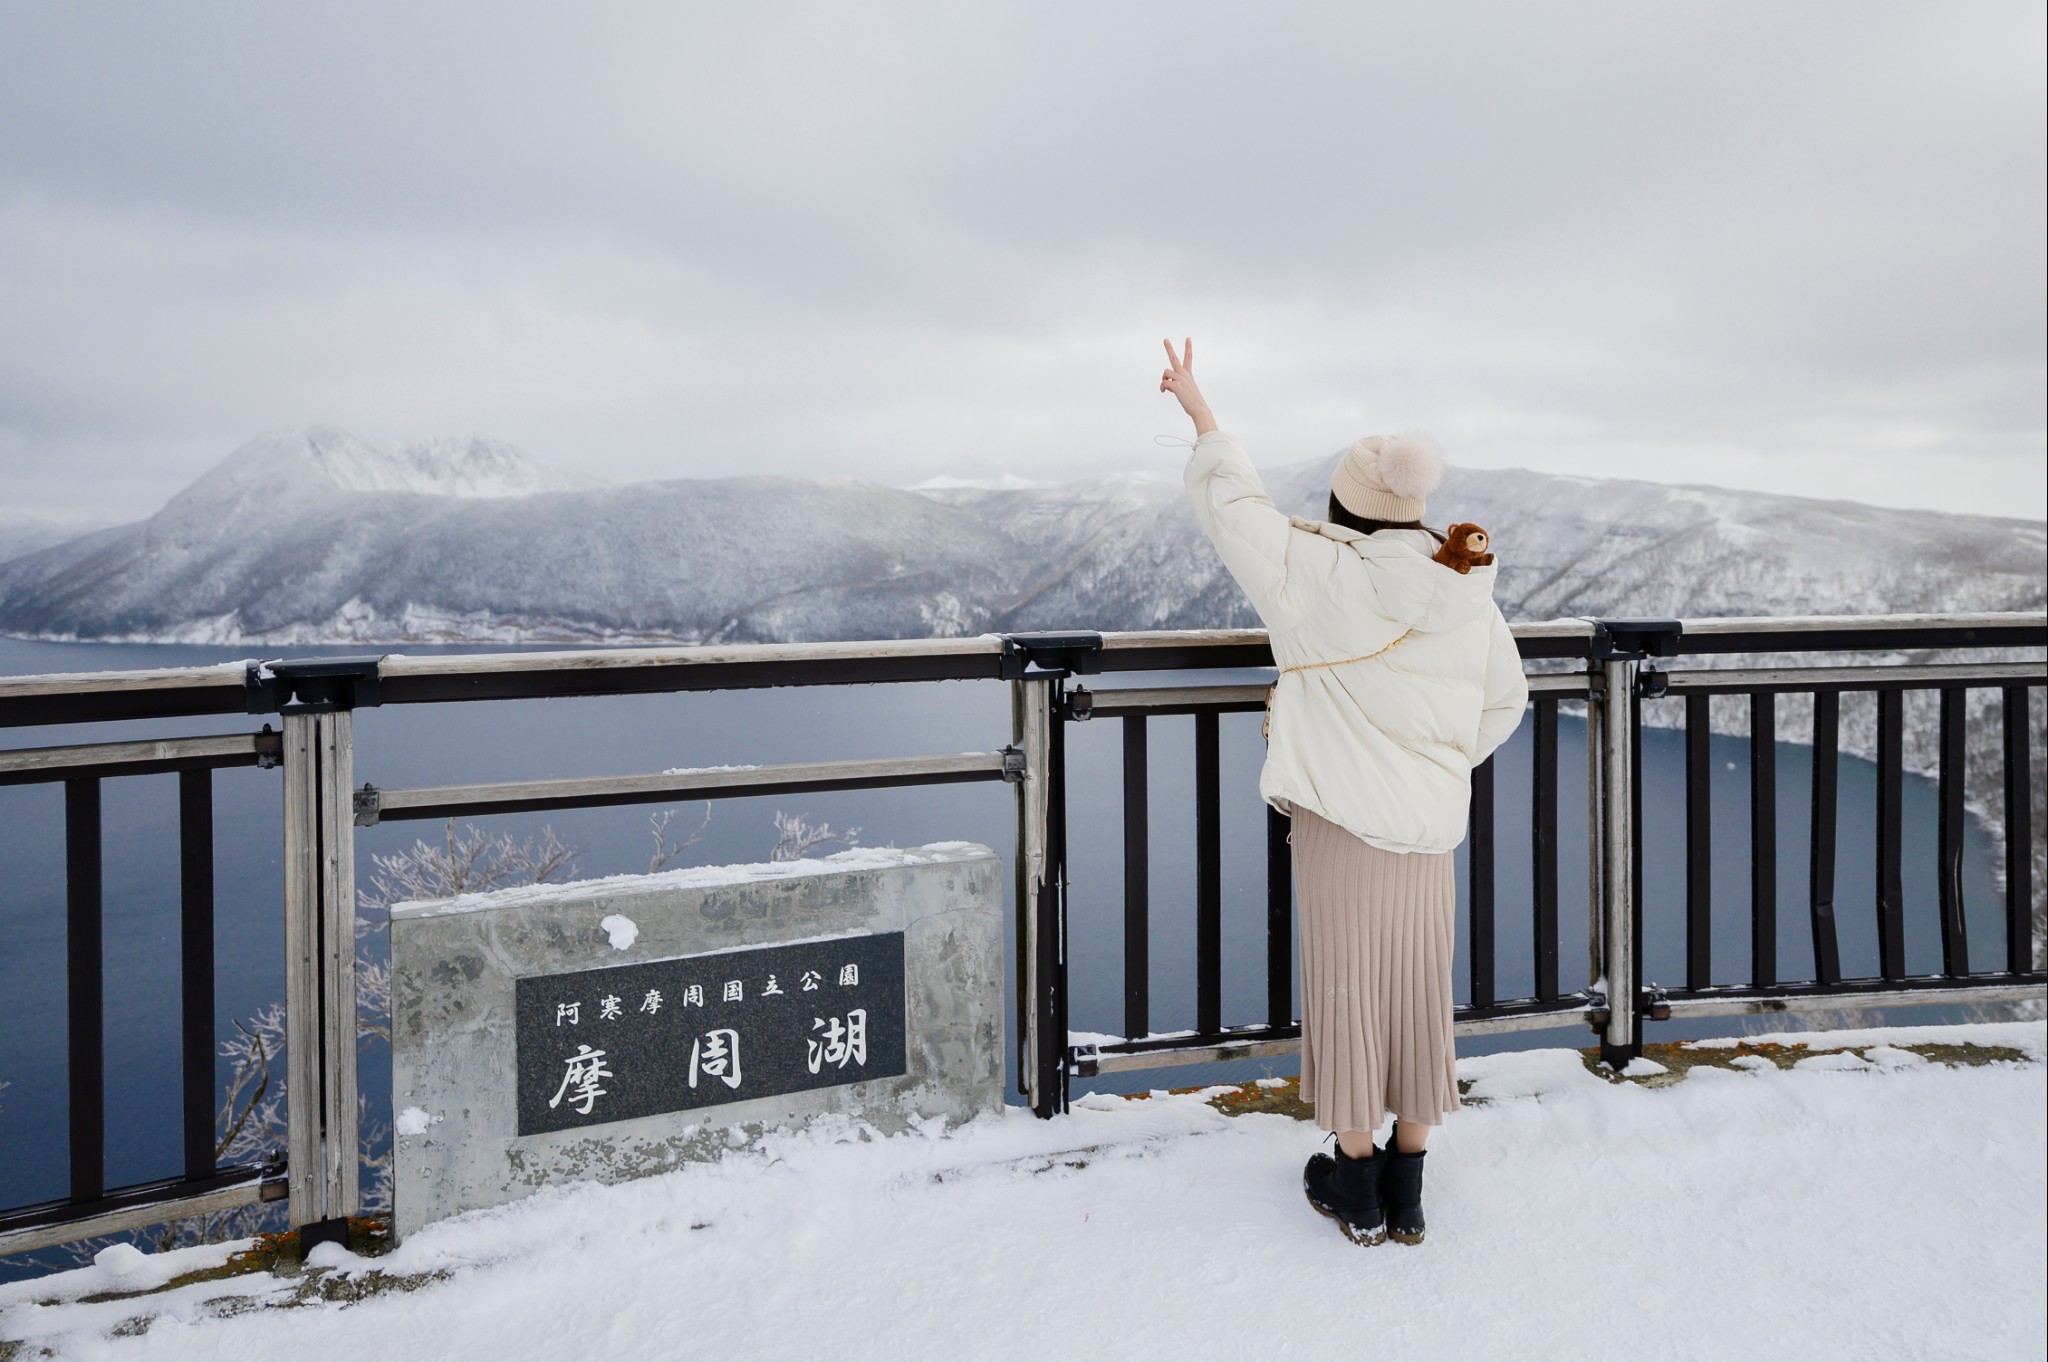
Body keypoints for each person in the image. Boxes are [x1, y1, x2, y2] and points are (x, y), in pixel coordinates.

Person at [1158, 337, 1528, 1247]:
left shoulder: (1318, 573)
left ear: (1344, 505)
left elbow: (1235, 510)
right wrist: (1435, 765)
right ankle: (1409, 1191)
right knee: (1413, 992)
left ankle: (1355, 1186)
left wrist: (1203, 413)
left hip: (1340, 824)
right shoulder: (1465, 591)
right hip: (1429, 826)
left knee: (1347, 992)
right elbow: (1504, 702)